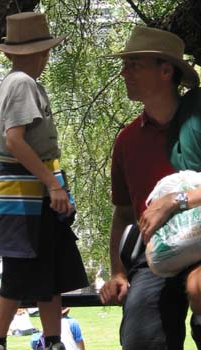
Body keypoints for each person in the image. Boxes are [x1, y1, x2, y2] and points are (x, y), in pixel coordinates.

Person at [0, 11, 88, 350]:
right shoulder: (22, 83)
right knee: (19, 267)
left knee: (49, 270)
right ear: (41, 52)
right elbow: (15, 140)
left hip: (35, 192)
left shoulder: (21, 83)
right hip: (26, 194)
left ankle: (53, 339)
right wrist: (52, 184)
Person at [100, 25, 201, 350]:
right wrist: (117, 271)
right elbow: (123, 214)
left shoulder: (197, 118)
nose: (123, 72)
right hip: (155, 255)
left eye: (134, 65)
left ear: (165, 70)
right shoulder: (127, 141)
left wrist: (178, 200)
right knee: (141, 338)